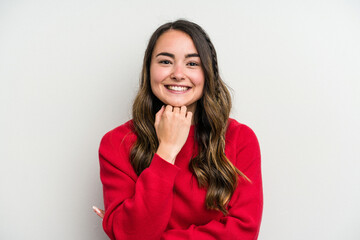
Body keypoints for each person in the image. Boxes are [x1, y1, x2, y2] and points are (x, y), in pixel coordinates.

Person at [94, 19, 263, 240]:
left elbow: (243, 232)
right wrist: (167, 150)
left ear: (207, 73)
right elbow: (133, 234)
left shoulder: (239, 139)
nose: (178, 74)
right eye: (165, 61)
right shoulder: (117, 143)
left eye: (192, 64)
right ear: (149, 70)